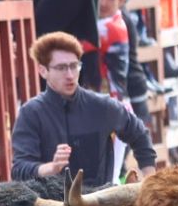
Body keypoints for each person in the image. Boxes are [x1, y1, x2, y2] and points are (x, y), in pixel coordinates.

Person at [11, 31, 155, 186]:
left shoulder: (102, 106)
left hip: (100, 198)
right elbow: (19, 169)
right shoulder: (30, 113)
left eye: (74, 66)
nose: (70, 75)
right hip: (50, 199)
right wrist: (51, 168)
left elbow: (139, 134)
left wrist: (150, 182)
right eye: (61, 68)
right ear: (43, 71)